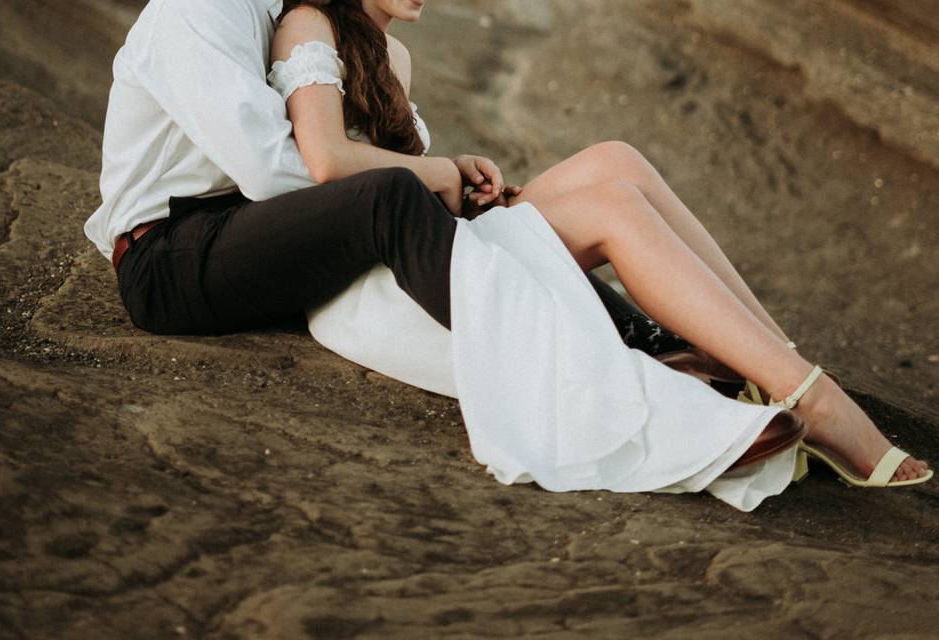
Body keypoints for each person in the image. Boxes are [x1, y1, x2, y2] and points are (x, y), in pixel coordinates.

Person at [264, 0, 930, 501]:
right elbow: (328, 162)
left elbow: (401, 179)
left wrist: (460, 177)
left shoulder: (391, 54)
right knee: (611, 208)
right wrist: (440, 171)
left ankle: (776, 362)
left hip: (428, 241)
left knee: (619, 160)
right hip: (376, 279)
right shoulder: (308, 28)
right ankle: (815, 402)